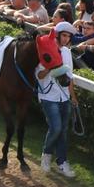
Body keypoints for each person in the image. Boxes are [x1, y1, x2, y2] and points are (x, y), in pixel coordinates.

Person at [36, 22, 79, 178]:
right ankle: (47, 154)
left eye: (69, 36)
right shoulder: (45, 49)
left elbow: (70, 76)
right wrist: (51, 66)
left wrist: (73, 96)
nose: (66, 39)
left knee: (63, 131)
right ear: (58, 35)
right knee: (56, 128)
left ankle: (62, 162)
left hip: (65, 97)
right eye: (64, 35)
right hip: (48, 96)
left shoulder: (67, 52)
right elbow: (39, 76)